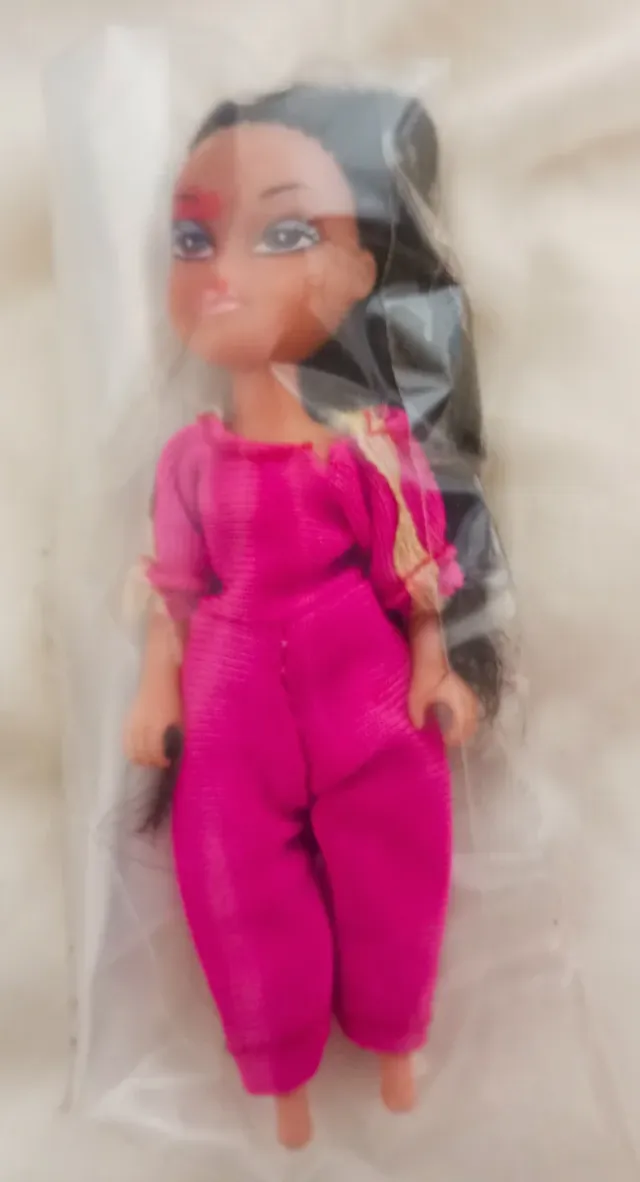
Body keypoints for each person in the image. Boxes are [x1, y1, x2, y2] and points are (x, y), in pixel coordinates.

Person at [124, 84, 498, 1148]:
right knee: (229, 868)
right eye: (194, 239)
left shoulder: (370, 447)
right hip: (230, 694)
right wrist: (157, 689)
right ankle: (280, 1069)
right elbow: (175, 586)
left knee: (398, 844)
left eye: (285, 234)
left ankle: (394, 1035)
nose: (225, 271)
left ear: (357, 273)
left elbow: (409, 573)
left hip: (360, 680)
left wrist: (434, 663)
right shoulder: (190, 460)